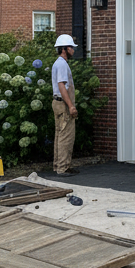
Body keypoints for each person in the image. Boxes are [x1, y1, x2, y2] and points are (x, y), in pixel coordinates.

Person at [50, 33, 80, 176]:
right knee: (66, 136)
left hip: (57, 103)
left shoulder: (58, 63)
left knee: (59, 135)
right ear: (65, 49)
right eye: (71, 47)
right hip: (63, 104)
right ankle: (63, 168)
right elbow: (62, 86)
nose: (73, 50)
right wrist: (71, 106)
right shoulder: (62, 64)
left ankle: (58, 165)